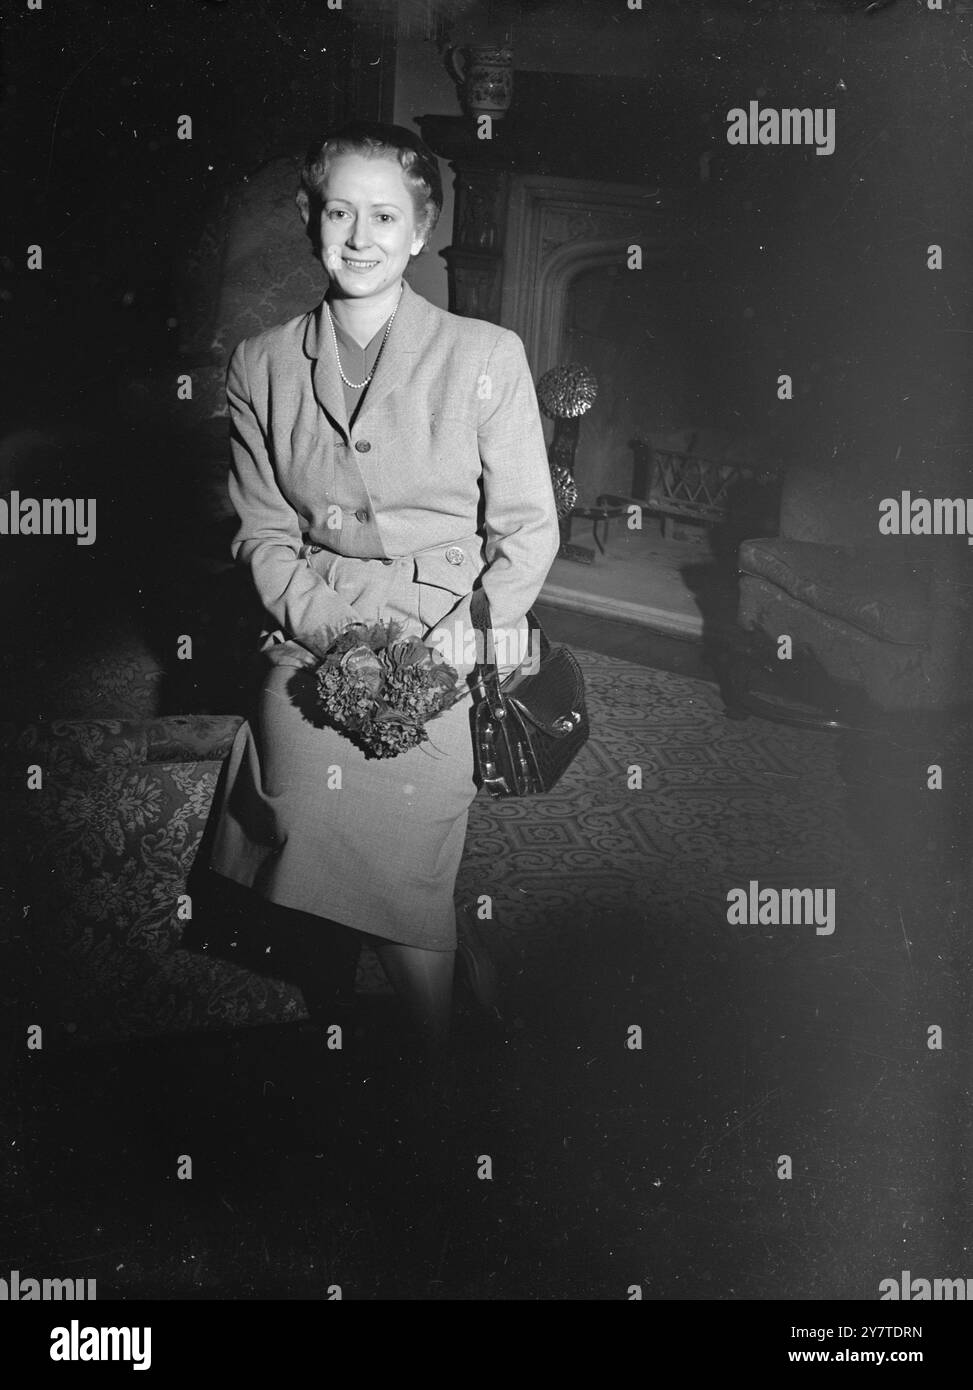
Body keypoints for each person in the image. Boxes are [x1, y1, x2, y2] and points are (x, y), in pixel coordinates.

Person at [206, 122, 560, 1066]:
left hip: (451, 627)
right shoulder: (260, 363)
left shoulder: (486, 354)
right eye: (339, 213)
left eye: (385, 217)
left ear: (420, 230)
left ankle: (433, 1064)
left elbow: (526, 530)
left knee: (403, 826)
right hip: (314, 622)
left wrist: (457, 645)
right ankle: (442, 965)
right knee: (305, 802)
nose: (359, 237)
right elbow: (263, 533)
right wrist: (334, 636)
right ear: (312, 223)